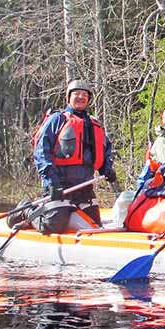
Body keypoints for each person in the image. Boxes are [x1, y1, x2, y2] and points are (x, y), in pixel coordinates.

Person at [30, 79, 118, 231]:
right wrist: (52, 182)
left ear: (89, 100)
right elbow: (41, 152)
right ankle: (27, 210)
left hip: (84, 189)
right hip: (60, 186)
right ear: (68, 97)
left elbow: (105, 150)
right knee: (53, 224)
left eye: (84, 95)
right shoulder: (57, 120)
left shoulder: (94, 124)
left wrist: (107, 168)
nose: (80, 97)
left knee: (95, 226)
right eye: (76, 94)